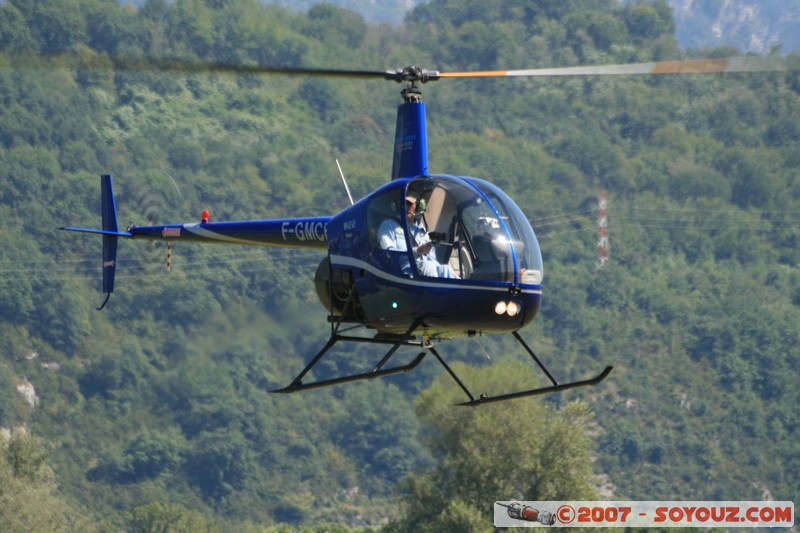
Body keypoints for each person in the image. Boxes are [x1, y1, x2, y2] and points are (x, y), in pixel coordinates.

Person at [378, 193, 459, 278]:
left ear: (418, 206)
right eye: (403, 203)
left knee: (445, 269)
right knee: (428, 266)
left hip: (424, 270)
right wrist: (417, 251)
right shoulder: (389, 225)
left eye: (409, 203)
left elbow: (432, 258)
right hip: (405, 273)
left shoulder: (422, 230)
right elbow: (389, 255)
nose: (406, 206)